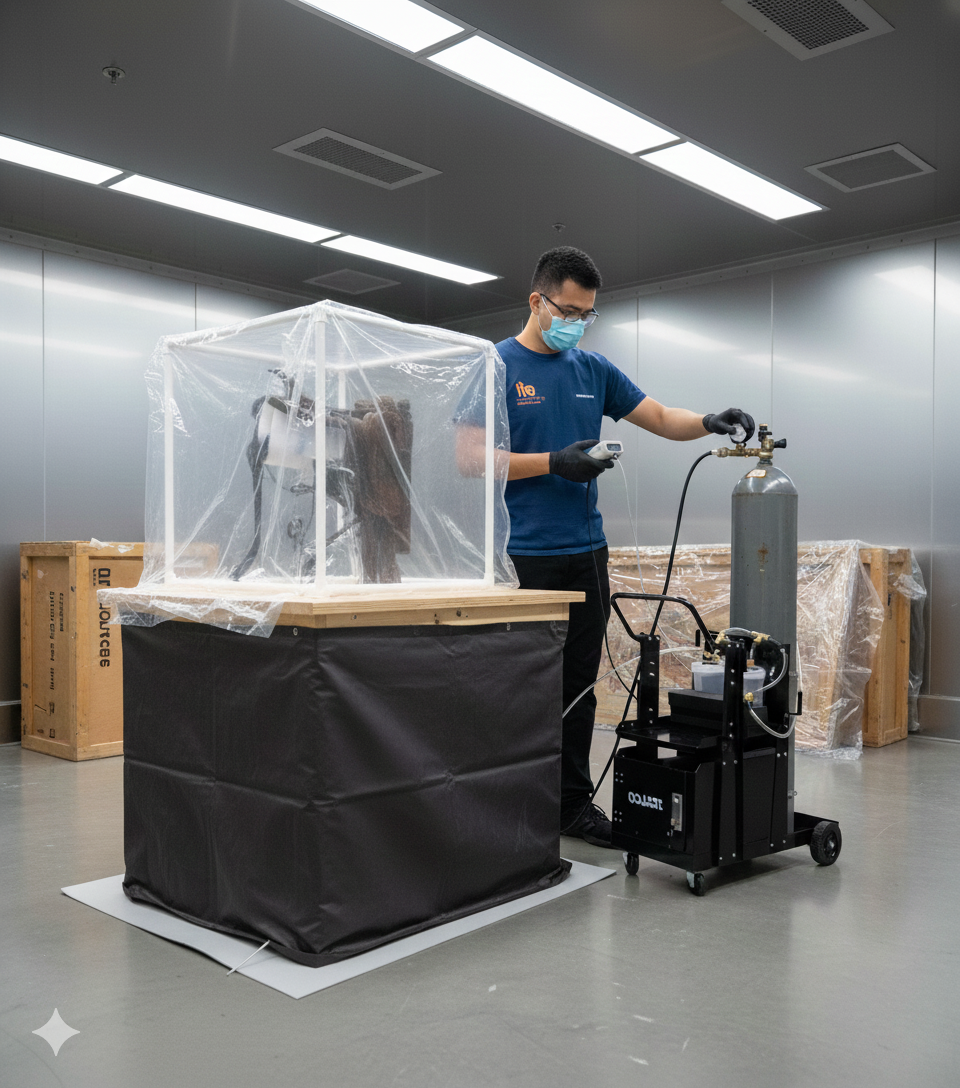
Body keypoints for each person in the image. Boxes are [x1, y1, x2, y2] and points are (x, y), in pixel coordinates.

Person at [457, 247, 754, 847]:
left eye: (588, 314)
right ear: (537, 301)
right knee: (517, 687)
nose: (577, 322)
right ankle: (508, 802)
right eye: (568, 310)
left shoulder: (592, 370)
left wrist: (709, 421)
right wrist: (552, 463)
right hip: (521, 557)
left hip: (586, 554)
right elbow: (467, 460)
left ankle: (569, 805)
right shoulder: (492, 366)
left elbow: (662, 415)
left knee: (579, 688)